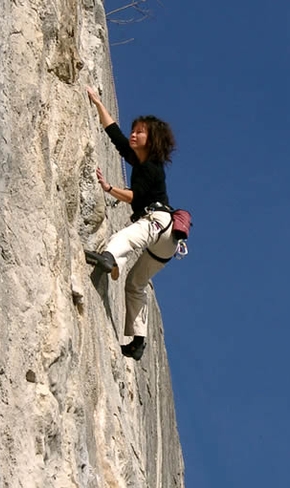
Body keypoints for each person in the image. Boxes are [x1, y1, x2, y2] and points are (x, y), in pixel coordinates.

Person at [85, 86, 178, 360]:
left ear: (152, 140)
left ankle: (110, 259)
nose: (133, 134)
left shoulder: (151, 167)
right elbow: (114, 134)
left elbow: (135, 196)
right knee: (135, 285)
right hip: (165, 247)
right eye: (134, 130)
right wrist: (98, 103)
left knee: (124, 237)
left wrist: (109, 188)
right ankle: (138, 341)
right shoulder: (137, 160)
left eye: (140, 131)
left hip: (158, 222)